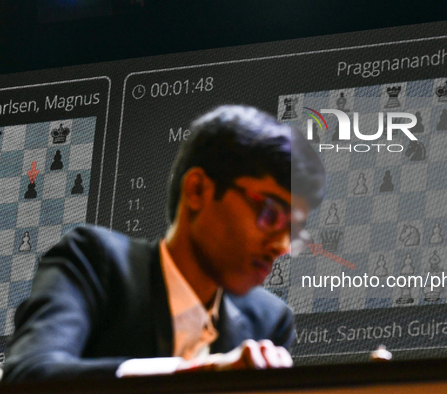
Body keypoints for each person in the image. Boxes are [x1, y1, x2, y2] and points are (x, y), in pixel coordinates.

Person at [3, 105, 326, 382]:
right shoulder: (94, 261)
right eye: (270, 214)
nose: (283, 246)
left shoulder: (269, 321)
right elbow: (29, 374)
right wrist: (198, 374)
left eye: (294, 228)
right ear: (198, 190)